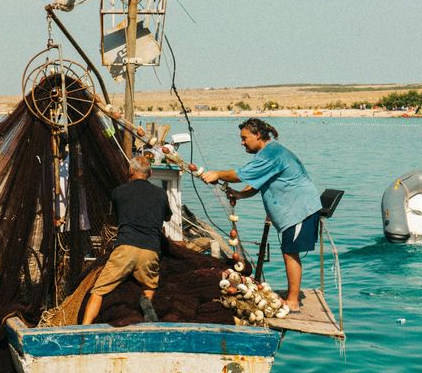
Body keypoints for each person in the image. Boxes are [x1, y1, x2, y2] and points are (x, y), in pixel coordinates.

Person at [201, 118, 322, 312]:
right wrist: (240, 194)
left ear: (258, 135)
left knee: (290, 252)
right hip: (294, 210)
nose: (242, 143)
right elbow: (256, 183)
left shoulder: (271, 154)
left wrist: (217, 174)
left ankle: (293, 301)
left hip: (300, 209)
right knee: (288, 251)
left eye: (244, 138)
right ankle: (291, 296)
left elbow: (241, 174)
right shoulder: (268, 153)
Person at [82, 156, 172, 325]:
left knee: (98, 291)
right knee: (149, 286)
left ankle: (84, 328)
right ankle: (146, 310)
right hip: (150, 251)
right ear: (150, 173)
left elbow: (118, 215)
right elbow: (167, 217)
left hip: (125, 250)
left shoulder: (119, 192)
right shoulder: (161, 194)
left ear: (130, 171)